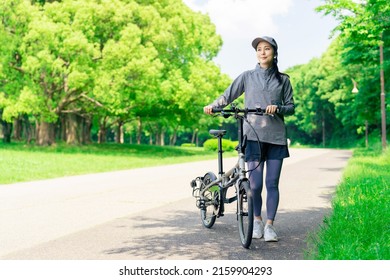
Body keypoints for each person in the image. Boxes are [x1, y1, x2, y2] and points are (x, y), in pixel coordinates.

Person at [204, 36, 295, 242]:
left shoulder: (284, 80)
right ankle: (256, 221)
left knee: (272, 183)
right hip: (252, 136)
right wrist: (213, 106)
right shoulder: (247, 76)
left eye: (267, 49)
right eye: (259, 49)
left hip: (276, 138)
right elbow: (227, 96)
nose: (262, 52)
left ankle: (270, 225)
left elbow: (291, 106)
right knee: (254, 185)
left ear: (274, 52)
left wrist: (278, 108)